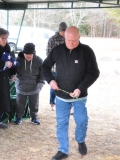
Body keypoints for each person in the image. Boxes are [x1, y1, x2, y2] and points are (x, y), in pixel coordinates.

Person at [42, 26, 100, 159]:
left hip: (79, 95)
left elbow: (94, 72)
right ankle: (63, 149)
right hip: (61, 96)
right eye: (68, 40)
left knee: (82, 120)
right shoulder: (57, 50)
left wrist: (80, 88)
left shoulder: (87, 51)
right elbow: (45, 67)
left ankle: (80, 140)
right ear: (64, 37)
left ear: (79, 37)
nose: (71, 43)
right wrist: (51, 80)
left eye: (74, 40)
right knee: (62, 123)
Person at [14, 43, 44, 125]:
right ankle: (19, 117)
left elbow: (43, 73)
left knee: (34, 103)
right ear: (23, 52)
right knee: (20, 103)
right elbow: (12, 71)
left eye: (30, 54)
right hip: (21, 86)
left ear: (33, 53)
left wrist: (40, 84)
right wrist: (13, 76)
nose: (28, 56)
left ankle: (34, 117)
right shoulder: (18, 60)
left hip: (34, 87)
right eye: (26, 54)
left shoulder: (39, 60)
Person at [46, 22, 68, 111]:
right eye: (63, 31)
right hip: (55, 68)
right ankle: (52, 103)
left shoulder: (68, 38)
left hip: (67, 69)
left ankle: (67, 103)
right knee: (54, 86)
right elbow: (48, 53)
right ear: (60, 30)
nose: (64, 33)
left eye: (66, 31)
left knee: (67, 86)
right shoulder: (52, 39)